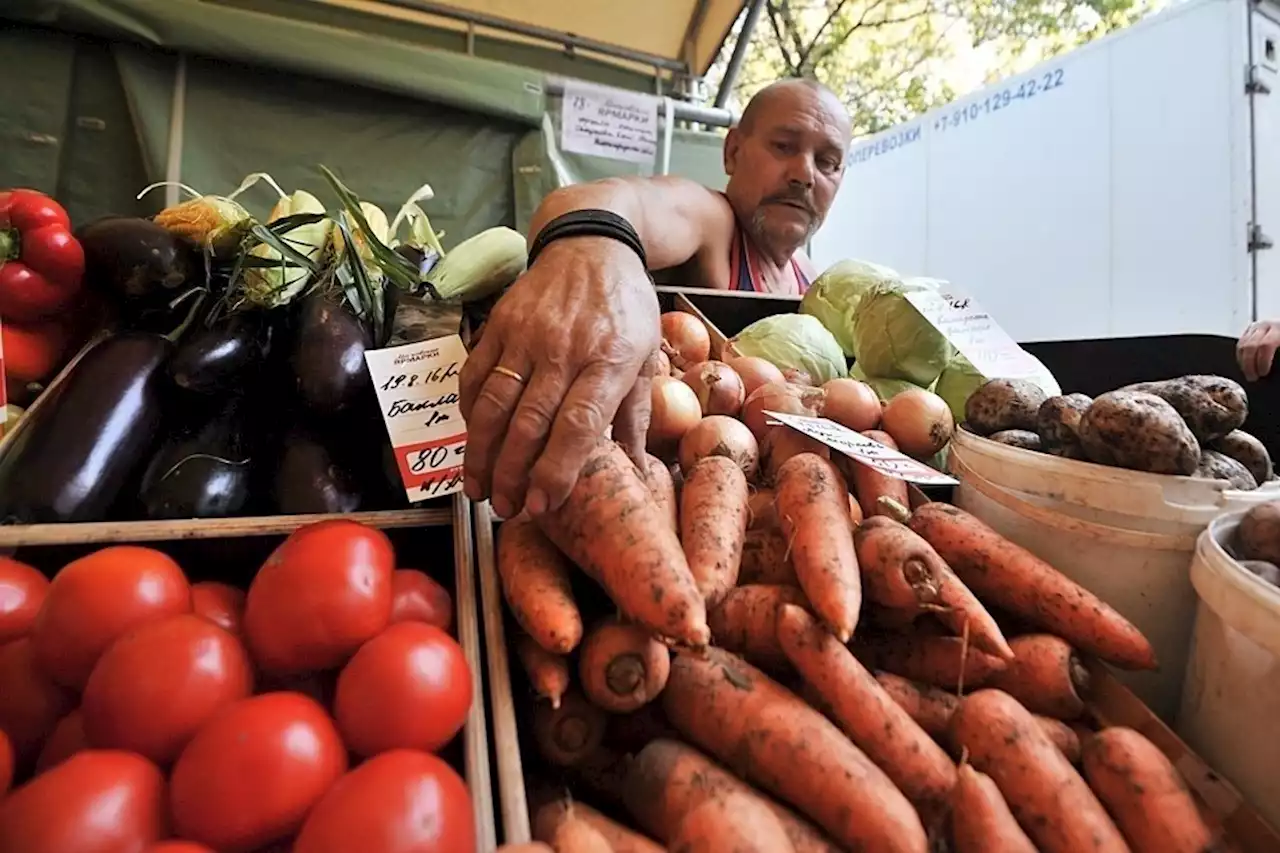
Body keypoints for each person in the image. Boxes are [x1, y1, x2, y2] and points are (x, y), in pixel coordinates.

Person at [459, 78, 853, 520]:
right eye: (783, 146)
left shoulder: (813, 284)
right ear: (733, 151)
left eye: (828, 162)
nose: (804, 173)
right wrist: (597, 244)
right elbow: (598, 201)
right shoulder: (714, 221)